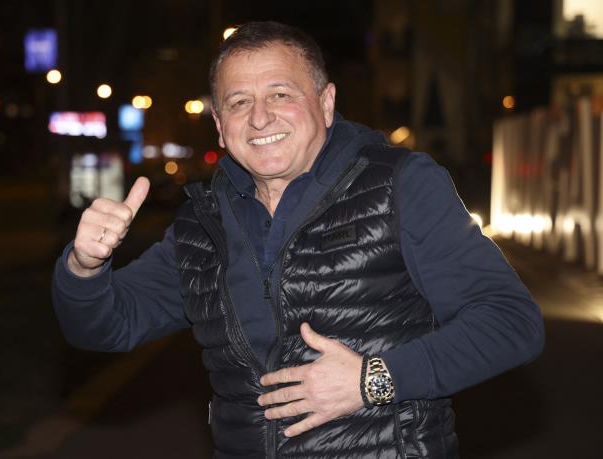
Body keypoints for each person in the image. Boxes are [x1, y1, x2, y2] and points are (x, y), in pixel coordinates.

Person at [52, 21, 544, 458]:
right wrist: (84, 267)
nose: (260, 118)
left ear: (326, 103)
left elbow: (511, 322)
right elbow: (104, 326)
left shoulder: (400, 185)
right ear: (220, 127)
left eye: (280, 94)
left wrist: (374, 379)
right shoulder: (202, 226)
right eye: (239, 102)